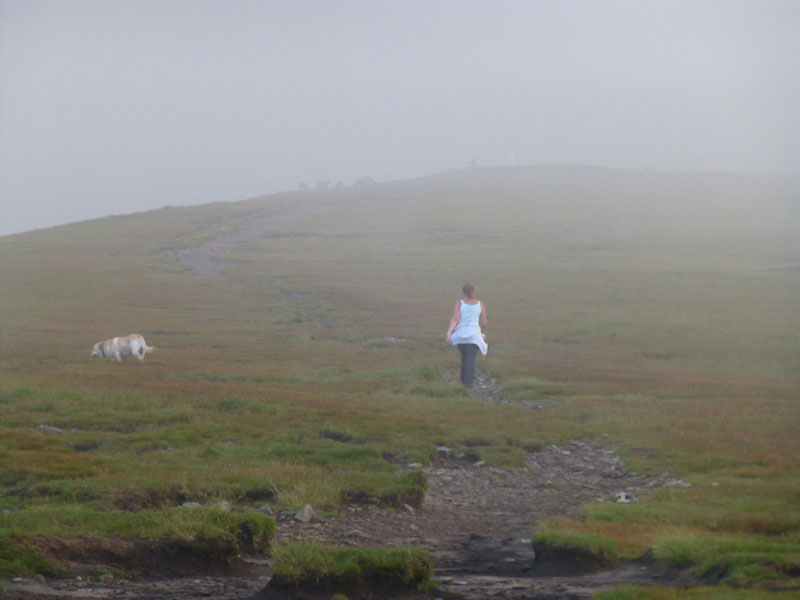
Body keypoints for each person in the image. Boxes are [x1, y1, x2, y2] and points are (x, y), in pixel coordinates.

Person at [446, 283, 488, 388]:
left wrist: (449, 333)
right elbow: (484, 323)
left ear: (463, 292)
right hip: (474, 336)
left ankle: (463, 381)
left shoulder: (460, 303)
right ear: (474, 292)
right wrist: (482, 333)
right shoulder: (480, 304)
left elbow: (455, 319)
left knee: (464, 358)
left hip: (461, 335)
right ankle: (468, 385)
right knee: (471, 360)